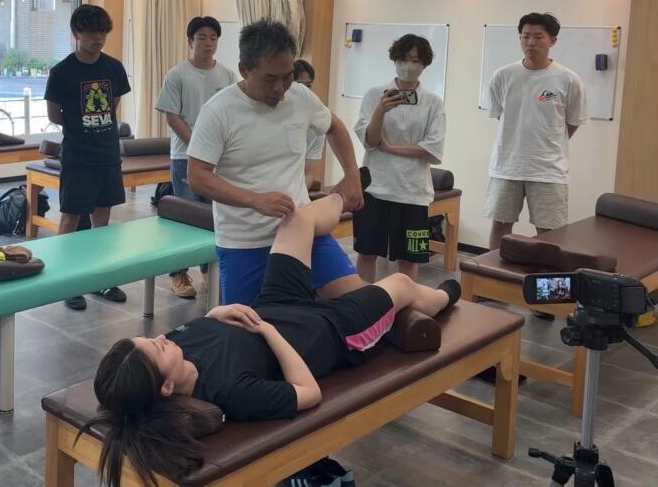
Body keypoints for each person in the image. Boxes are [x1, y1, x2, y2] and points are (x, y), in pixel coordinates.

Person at [88, 192, 461, 487]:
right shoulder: (229, 390)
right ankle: (446, 296)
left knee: (295, 221)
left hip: (277, 303)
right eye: (156, 348)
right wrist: (269, 331)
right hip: (334, 330)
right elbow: (308, 393)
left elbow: (204, 331)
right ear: (167, 387)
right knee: (401, 284)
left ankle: (343, 196)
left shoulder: (176, 347)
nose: (160, 337)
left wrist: (216, 313)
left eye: (149, 339)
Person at [187, 20, 365, 306]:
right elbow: (198, 176)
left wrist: (352, 175)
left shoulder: (301, 97)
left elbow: (335, 126)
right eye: (269, 79)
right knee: (249, 326)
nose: (280, 88)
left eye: (287, 77)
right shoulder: (218, 111)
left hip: (302, 231)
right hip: (245, 243)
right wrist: (255, 200)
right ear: (245, 69)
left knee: (357, 303)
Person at [45, 4, 131, 311]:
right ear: (76, 33)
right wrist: (81, 125)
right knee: (70, 218)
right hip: (78, 156)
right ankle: (67, 281)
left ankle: (99, 278)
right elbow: (54, 114)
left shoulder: (114, 68)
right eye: (91, 32)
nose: (98, 38)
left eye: (103, 32)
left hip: (107, 154)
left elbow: (114, 103)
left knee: (102, 220)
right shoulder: (62, 72)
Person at [485, 13, 587, 251]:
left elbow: (572, 123)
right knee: (500, 226)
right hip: (506, 166)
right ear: (519, 38)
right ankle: (492, 275)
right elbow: (503, 116)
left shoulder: (568, 79)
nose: (530, 42)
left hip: (548, 170)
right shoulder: (502, 76)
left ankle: (546, 277)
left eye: (538, 37)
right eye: (525, 36)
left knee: (550, 233)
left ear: (553, 41)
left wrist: (547, 142)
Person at [155, 16, 237, 298]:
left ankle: (207, 269)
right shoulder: (177, 74)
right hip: (184, 156)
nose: (208, 43)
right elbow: (172, 115)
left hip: (219, 159)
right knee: (186, 217)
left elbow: (232, 113)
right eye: (202, 37)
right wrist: (198, 145)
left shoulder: (227, 75)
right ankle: (178, 274)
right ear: (190, 41)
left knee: (215, 215)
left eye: (213, 38)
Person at [353, 34, 446, 282]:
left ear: (424, 65)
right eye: (404, 59)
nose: (409, 66)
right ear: (395, 60)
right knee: (367, 253)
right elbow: (370, 140)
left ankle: (405, 302)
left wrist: (391, 147)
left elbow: (432, 149)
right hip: (376, 188)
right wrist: (381, 110)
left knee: (410, 258)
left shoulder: (433, 103)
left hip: (413, 192)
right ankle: (363, 301)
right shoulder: (375, 95)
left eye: (415, 61)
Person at [293, 59, 325, 192]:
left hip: (294, 193)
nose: (305, 92)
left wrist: (296, 197)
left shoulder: (317, 125)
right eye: (299, 85)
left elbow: (309, 174)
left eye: (308, 86)